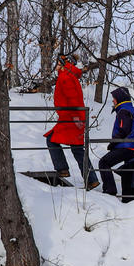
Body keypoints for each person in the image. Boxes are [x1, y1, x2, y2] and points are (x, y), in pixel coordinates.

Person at [45, 50, 99, 188]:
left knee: (51, 139)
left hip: (70, 118)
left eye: (57, 63)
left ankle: (63, 169)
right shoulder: (69, 76)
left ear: (64, 64)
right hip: (72, 117)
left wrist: (76, 117)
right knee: (77, 148)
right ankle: (91, 179)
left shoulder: (65, 77)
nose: (55, 65)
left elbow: (73, 99)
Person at [98, 86, 134, 202]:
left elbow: (124, 129)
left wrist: (114, 143)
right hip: (132, 147)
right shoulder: (129, 109)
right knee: (128, 171)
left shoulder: (124, 111)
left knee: (104, 162)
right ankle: (130, 198)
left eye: (114, 98)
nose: (113, 100)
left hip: (126, 146)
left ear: (119, 98)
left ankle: (110, 190)